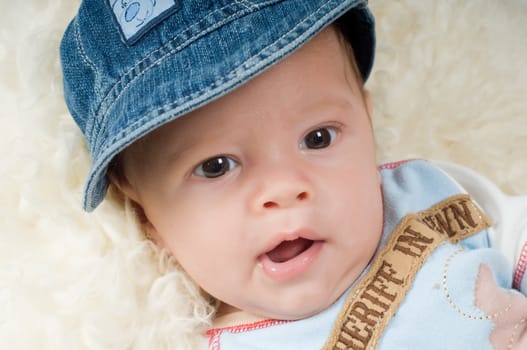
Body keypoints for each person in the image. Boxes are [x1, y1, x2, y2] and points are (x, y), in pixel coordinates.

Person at [60, 0, 527, 348]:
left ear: (366, 121)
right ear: (147, 216)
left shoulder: (425, 194)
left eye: (319, 138)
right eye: (215, 167)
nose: (284, 189)